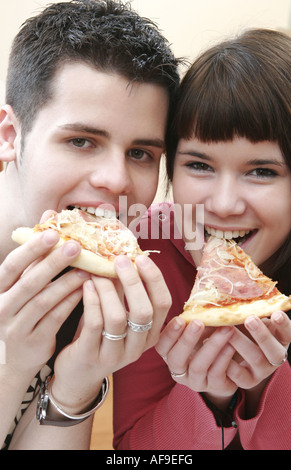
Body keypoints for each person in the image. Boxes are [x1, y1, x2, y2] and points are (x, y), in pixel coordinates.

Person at [0, 0, 180, 450]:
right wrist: (11, 364)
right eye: (81, 141)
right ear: (9, 137)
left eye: (141, 153)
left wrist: (76, 385)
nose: (117, 181)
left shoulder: (94, 281)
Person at [113, 28, 291, 450]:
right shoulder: (147, 254)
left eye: (262, 171)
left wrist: (265, 387)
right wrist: (209, 397)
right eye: (199, 164)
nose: (224, 204)